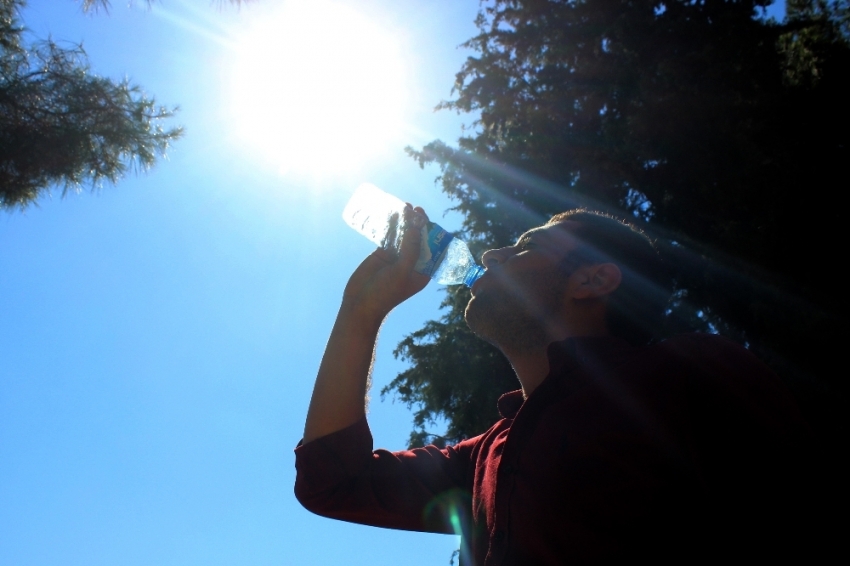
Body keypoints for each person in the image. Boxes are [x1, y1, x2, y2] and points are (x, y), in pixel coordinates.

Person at [295, 206, 813, 565]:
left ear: (591, 280)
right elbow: (331, 484)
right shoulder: (482, 459)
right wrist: (360, 313)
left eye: (526, 246)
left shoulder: (687, 372)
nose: (493, 254)